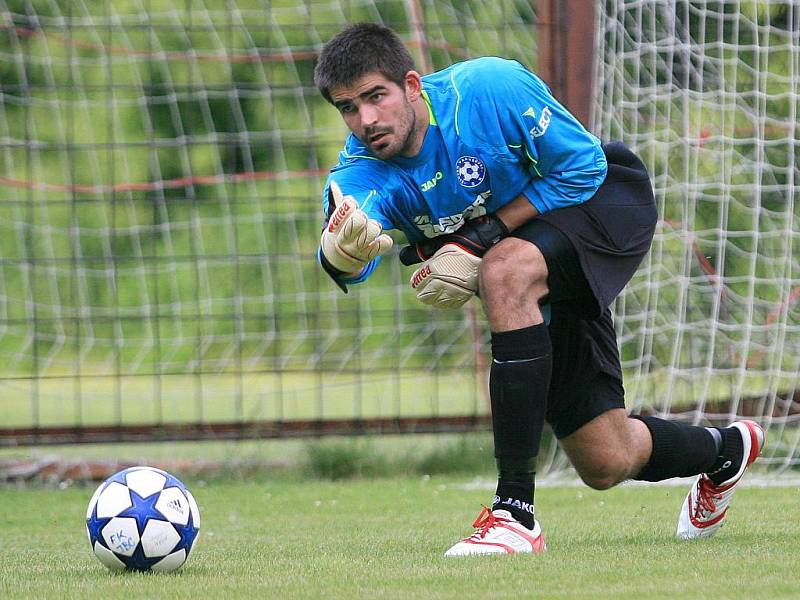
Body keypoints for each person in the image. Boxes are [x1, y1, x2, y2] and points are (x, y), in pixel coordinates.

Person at [312, 22, 764, 555]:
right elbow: (346, 236)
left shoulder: (488, 88)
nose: (366, 120)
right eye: (348, 107)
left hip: (602, 203)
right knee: (606, 460)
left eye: (375, 97)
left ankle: (514, 515)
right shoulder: (360, 169)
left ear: (411, 85)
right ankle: (725, 449)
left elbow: (583, 167)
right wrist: (340, 252)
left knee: (502, 270)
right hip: (534, 260)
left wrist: (478, 239)